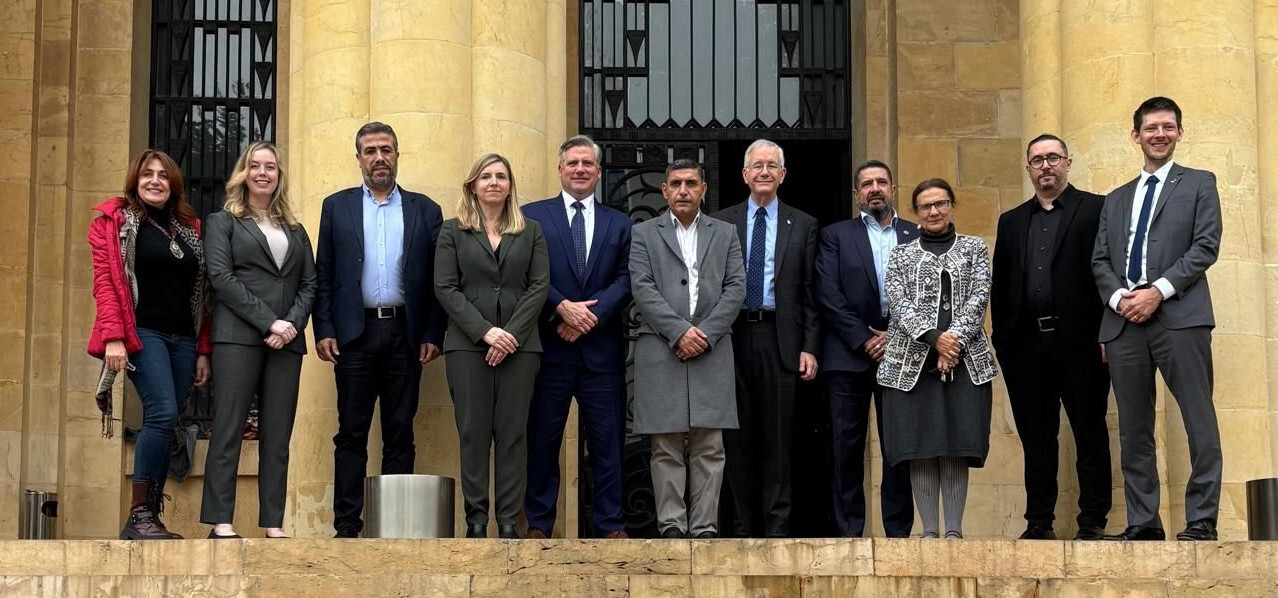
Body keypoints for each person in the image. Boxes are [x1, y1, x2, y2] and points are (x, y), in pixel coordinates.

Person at [1093, 96, 1222, 542]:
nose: (1160, 135)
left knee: (1198, 420)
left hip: (1180, 318)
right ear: (1136, 136)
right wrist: (1120, 301)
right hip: (1124, 324)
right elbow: (1101, 261)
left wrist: (1157, 292)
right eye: (1151, 128)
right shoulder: (1116, 199)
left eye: (1168, 127)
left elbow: (1205, 247)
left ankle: (1202, 520)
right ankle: (1144, 522)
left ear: (1180, 133)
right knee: (1134, 429)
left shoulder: (1200, 183)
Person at [314, 122, 447, 538]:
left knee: (400, 432)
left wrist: (432, 333)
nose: (378, 158)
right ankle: (347, 525)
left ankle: (394, 526)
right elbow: (324, 274)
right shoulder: (336, 207)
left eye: (385, 150)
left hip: (405, 335)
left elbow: (438, 281)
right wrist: (324, 328)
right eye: (370, 151)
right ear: (358, 158)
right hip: (354, 335)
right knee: (351, 432)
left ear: (397, 155)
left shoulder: (426, 210)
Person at [991, 134, 1111, 541]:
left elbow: (1107, 272)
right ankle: (1038, 522)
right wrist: (1003, 343)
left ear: (1068, 163)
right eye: (1038, 160)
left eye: (1053, 158)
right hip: (1025, 348)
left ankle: (1092, 521)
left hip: (1081, 343)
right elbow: (1002, 282)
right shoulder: (1011, 221)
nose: (1046, 166)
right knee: (1036, 439)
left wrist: (1107, 335)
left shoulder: (1096, 209)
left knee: (1089, 433)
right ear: (1028, 168)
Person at [88, 149, 212, 539]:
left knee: (169, 420)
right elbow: (106, 284)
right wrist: (113, 338)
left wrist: (203, 349)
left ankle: (144, 520)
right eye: (147, 175)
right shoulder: (114, 224)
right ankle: (141, 513)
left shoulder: (189, 228)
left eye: (163, 175)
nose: (155, 181)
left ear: (173, 183)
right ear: (135, 181)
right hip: (143, 335)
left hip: (183, 340)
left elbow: (204, 296)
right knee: (159, 413)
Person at [200, 141, 316, 539]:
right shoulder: (223, 222)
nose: (263, 172)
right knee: (229, 426)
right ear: (244, 174)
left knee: (277, 434)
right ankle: (221, 521)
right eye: (255, 166)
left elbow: (309, 284)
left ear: (280, 176)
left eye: (271, 167)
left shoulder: (296, 230)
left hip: (288, 342)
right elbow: (222, 278)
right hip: (238, 337)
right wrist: (270, 322)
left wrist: (291, 325)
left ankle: (272, 522)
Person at [521, 136, 632, 539]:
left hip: (601, 354)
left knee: (607, 444)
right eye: (573, 163)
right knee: (543, 442)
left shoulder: (620, 223)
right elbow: (526, 274)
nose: (580, 169)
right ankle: (538, 523)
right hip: (549, 350)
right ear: (560, 169)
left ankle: (610, 524)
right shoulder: (532, 217)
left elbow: (626, 279)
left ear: (599, 172)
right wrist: (560, 307)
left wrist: (589, 316)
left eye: (588, 163)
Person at [629, 159, 746, 539]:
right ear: (664, 191)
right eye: (676, 183)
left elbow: (736, 289)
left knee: (710, 445)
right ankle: (672, 526)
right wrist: (680, 332)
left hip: (712, 350)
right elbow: (642, 288)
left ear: (703, 189)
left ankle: (705, 527)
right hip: (661, 349)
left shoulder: (725, 233)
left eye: (690, 183)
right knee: (664, 444)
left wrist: (705, 334)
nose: (683, 190)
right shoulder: (644, 233)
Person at [435, 153, 550, 539]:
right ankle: (476, 519)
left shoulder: (530, 231)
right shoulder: (453, 232)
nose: (494, 182)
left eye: (501, 176)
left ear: (510, 185)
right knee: (473, 432)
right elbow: (446, 289)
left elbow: (539, 287)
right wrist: (486, 332)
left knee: (513, 434)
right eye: (486, 176)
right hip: (468, 348)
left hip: (521, 348)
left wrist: (510, 335)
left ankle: (507, 521)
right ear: (473, 185)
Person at [711, 139, 819, 538]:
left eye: (772, 166)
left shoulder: (803, 224)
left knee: (778, 440)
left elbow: (811, 291)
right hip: (732, 337)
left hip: (781, 338)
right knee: (736, 439)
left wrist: (810, 345)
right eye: (757, 166)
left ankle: (777, 528)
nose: (764, 172)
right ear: (744, 174)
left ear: (783, 175)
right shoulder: (721, 222)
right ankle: (742, 527)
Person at [877, 179, 996, 539]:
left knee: (955, 445)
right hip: (911, 366)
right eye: (926, 206)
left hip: (966, 363)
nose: (934, 211)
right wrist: (934, 339)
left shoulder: (975, 248)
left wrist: (953, 341)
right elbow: (897, 303)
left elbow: (978, 298)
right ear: (915, 213)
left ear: (952, 205)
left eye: (941, 203)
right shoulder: (901, 254)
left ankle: (954, 531)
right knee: (922, 446)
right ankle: (929, 532)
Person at [816, 160, 917, 538]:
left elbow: (925, 297)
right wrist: (865, 338)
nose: (874, 188)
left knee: (899, 447)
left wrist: (896, 338)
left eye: (881, 182)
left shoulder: (914, 233)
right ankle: (849, 531)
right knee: (846, 447)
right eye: (866, 184)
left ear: (893, 188)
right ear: (856, 193)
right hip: (848, 357)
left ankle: (898, 531)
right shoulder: (835, 235)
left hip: (905, 354)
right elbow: (828, 294)